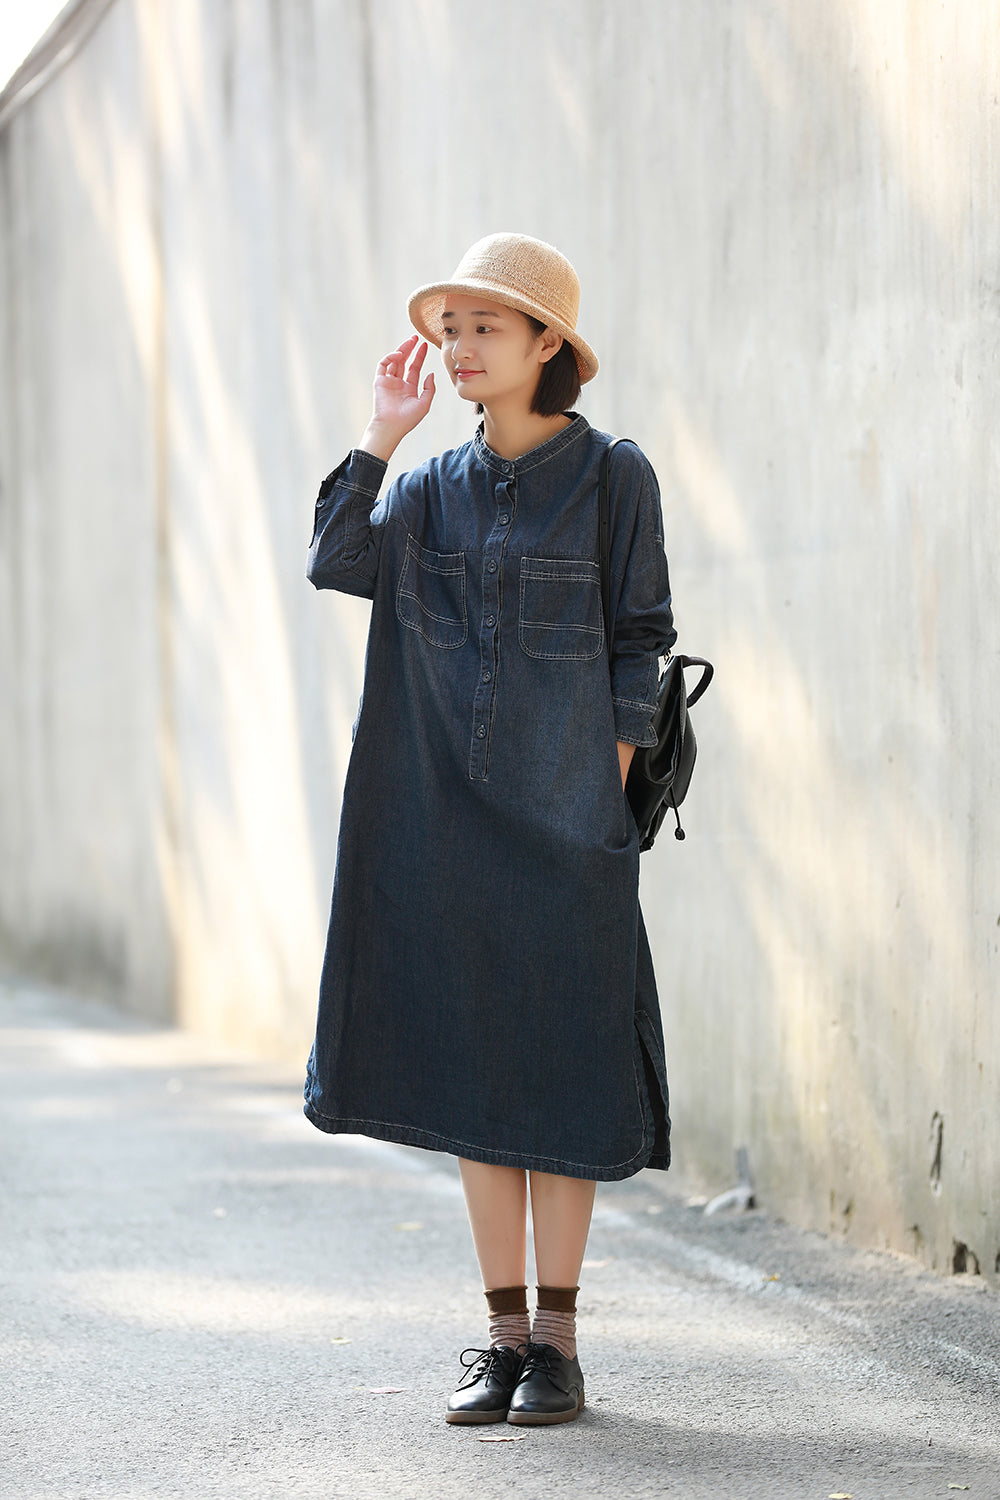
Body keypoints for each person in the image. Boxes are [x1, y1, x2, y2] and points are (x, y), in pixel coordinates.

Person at [304, 233, 677, 1427]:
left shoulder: (613, 476)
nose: (459, 348)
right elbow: (335, 560)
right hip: (446, 829)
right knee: (476, 1081)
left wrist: (599, 797)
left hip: (568, 832)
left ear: (546, 342)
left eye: (485, 327)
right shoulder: (424, 491)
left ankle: (557, 1348)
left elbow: (640, 641)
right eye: (450, 328)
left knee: (561, 1076)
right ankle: (502, 1339)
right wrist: (381, 434)